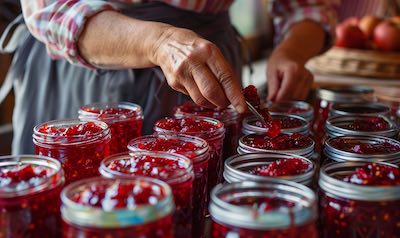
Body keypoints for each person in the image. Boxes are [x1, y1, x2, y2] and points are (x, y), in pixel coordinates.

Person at [3, 0, 336, 154]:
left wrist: (290, 51)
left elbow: (306, 6)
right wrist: (158, 42)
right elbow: (48, 7)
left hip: (206, 62)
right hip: (90, 61)